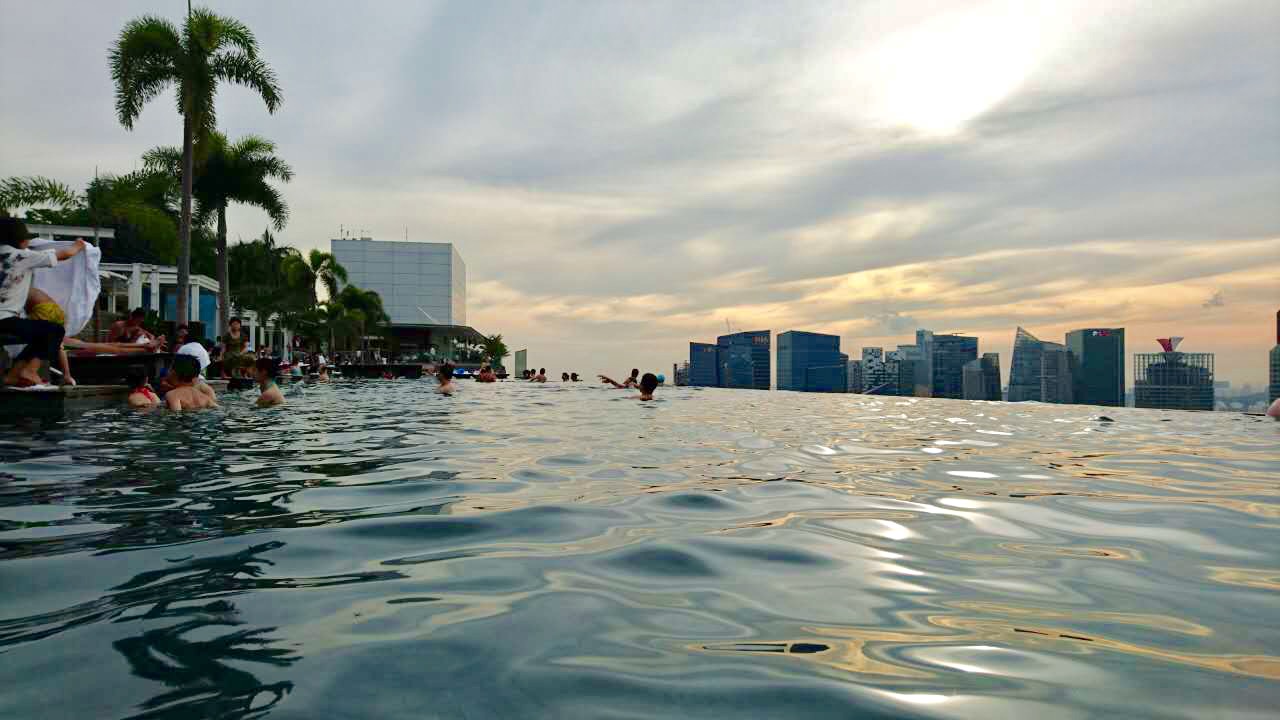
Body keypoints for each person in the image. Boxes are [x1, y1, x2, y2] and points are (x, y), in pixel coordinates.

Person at [0, 219, 87, 387]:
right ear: (20, 240)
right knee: (54, 331)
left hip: (7, 322)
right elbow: (66, 254)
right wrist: (79, 245)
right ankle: (30, 370)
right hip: (5, 320)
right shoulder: (22, 256)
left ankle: (13, 375)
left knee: (39, 335)